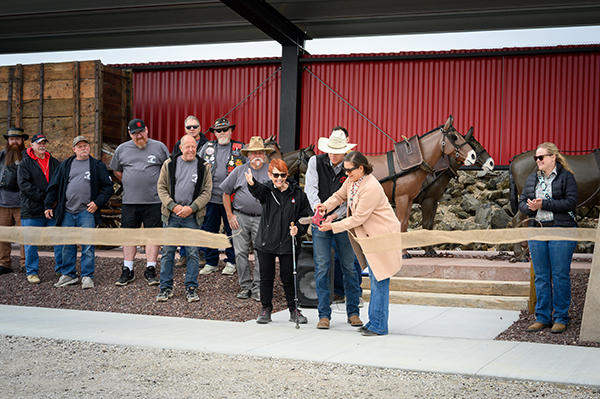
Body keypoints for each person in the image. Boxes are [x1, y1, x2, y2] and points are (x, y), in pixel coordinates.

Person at [317, 151, 403, 336]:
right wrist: (325, 205)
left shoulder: (370, 187)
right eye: (345, 171)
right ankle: (374, 323)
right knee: (374, 278)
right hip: (371, 239)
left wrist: (333, 226)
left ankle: (379, 326)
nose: (346, 174)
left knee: (380, 280)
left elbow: (358, 218)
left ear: (361, 168)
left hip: (382, 238)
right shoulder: (353, 181)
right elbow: (339, 196)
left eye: (349, 170)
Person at [304, 127, 362, 330]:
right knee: (321, 267)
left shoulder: (352, 167)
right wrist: (319, 212)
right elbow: (310, 188)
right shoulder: (315, 162)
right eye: (330, 150)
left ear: (344, 150)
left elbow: (352, 197)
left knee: (348, 266)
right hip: (320, 219)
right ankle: (323, 314)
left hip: (342, 221)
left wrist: (335, 215)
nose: (333, 155)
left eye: (337, 151)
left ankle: (353, 312)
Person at [519, 142, 578, 334]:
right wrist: (530, 208)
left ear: (553, 157)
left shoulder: (566, 177)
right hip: (537, 231)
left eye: (541, 157)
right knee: (541, 276)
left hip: (561, 230)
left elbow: (571, 203)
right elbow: (520, 203)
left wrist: (544, 204)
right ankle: (542, 317)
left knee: (560, 275)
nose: (538, 160)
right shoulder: (531, 179)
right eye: (536, 157)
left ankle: (561, 317)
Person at [246, 158, 312, 325]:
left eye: (282, 175)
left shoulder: (298, 193)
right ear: (270, 175)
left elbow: (306, 216)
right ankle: (266, 309)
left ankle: (294, 310)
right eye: (276, 175)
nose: (279, 179)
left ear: (287, 174)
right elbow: (257, 190)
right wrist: (252, 183)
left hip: (288, 242)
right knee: (266, 277)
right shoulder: (267, 191)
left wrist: (298, 227)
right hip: (266, 242)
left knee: (289, 277)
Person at [43, 136, 113, 289]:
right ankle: (68, 275)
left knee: (88, 245)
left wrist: (97, 203)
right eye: (79, 146)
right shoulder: (65, 165)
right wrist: (48, 205)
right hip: (67, 211)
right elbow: (53, 186)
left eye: (85, 145)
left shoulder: (96, 166)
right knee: (67, 245)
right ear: (74, 149)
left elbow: (108, 188)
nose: (83, 148)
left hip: (86, 211)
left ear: (89, 148)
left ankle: (87, 276)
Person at [109, 118, 170, 287]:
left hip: (154, 201)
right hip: (130, 201)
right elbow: (117, 172)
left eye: (141, 131)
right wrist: (131, 182)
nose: (139, 135)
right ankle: (127, 269)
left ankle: (150, 269)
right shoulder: (122, 149)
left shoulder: (159, 147)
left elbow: (169, 170)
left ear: (147, 130)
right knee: (129, 236)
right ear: (130, 134)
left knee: (153, 236)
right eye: (135, 133)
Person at [157, 135, 212, 302]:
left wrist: (191, 208)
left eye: (193, 147)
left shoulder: (204, 167)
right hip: (171, 215)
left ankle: (191, 287)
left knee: (193, 253)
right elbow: (161, 188)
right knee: (168, 252)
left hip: (192, 217)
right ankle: (165, 288)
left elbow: (207, 192)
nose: (190, 150)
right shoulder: (169, 164)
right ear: (180, 148)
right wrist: (173, 206)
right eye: (187, 147)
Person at [220, 136, 273, 301]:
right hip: (240, 217)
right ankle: (245, 287)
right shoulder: (238, 171)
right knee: (240, 253)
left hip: (262, 219)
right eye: (253, 153)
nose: (257, 155)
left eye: (260, 152)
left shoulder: (271, 170)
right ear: (248, 155)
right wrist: (229, 215)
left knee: (260, 254)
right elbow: (225, 192)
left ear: (264, 154)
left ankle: (258, 288)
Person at [198, 117, 246, 275]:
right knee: (209, 230)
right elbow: (196, 165)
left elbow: (248, 168)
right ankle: (211, 262)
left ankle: (231, 261)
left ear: (231, 131)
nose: (222, 133)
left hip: (232, 200)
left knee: (231, 231)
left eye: (225, 129)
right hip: (210, 198)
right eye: (219, 130)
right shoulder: (207, 147)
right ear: (214, 133)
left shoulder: (240, 148)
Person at [17, 133, 63, 284]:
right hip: (32, 210)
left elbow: (60, 183)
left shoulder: (54, 162)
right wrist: (47, 200)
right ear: (32, 145)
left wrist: (54, 200)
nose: (42, 145)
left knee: (59, 241)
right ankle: (31, 272)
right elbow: (25, 186)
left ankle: (61, 270)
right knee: (30, 243)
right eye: (39, 143)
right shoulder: (25, 163)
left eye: (44, 143)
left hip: (52, 209)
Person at [170, 115, 208, 268]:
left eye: (195, 126)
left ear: (200, 128)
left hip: (199, 190)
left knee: (199, 224)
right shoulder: (179, 144)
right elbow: (173, 165)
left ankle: (199, 252)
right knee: (183, 224)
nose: (192, 129)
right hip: (183, 192)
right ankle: (184, 255)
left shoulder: (208, 144)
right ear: (184, 129)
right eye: (188, 127)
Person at [0, 127, 27, 275]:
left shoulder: (27, 157)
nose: (14, 142)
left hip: (22, 204)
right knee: (3, 235)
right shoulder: (1, 156)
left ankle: (25, 263)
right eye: (11, 139)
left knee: (25, 235)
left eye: (17, 139)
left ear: (22, 140)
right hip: (2, 203)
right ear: (8, 141)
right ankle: (4, 263)